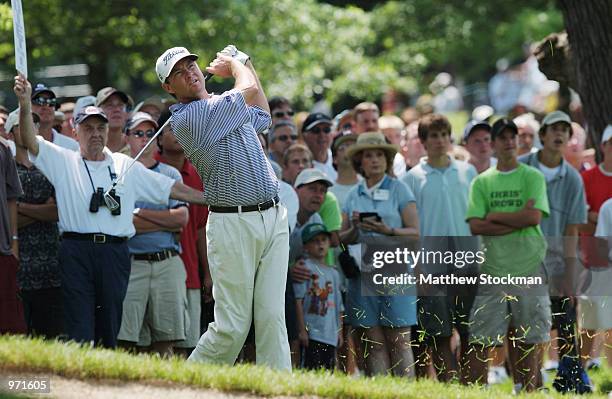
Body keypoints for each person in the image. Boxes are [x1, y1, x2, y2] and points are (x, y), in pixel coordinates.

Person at [14, 73, 207, 348]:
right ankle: (82, 381)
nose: (95, 133)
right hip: (76, 250)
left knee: (111, 324)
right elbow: (29, 139)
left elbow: (172, 189)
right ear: (75, 131)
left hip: (115, 252)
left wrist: (213, 198)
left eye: (100, 128)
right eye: (88, 128)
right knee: (80, 324)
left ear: (108, 131)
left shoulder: (124, 164)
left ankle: (106, 382)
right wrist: (24, 102)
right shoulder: (64, 160)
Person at [156, 45, 290, 370]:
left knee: (272, 316)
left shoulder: (222, 104)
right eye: (179, 72)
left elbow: (263, 115)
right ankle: (187, 384)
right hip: (232, 224)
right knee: (232, 325)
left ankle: (281, 388)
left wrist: (247, 61)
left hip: (274, 215)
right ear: (169, 87)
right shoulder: (187, 119)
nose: (190, 73)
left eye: (192, 65)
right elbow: (249, 89)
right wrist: (234, 64)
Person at [464, 118, 551, 392]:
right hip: (493, 269)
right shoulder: (482, 182)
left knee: (530, 337)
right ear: (493, 143)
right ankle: (477, 392)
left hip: (528, 267)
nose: (510, 142)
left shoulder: (532, 176)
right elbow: (476, 224)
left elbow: (533, 217)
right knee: (481, 337)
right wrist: (517, 218)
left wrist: (496, 216)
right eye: (503, 137)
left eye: (513, 136)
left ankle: (528, 391)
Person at [401, 114, 478, 382]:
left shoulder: (467, 171)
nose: (440, 140)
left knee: (470, 331)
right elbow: (410, 233)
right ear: (422, 141)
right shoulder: (412, 178)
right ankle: (452, 387)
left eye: (444, 134)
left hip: (468, 263)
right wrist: (417, 269)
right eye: (433, 135)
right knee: (439, 333)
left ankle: (472, 386)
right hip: (431, 266)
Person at [340, 132, 419, 377]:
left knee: (399, 340)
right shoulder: (353, 194)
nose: (374, 160)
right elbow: (341, 239)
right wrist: (355, 228)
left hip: (395, 272)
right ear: (360, 162)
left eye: (379, 155)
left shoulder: (400, 189)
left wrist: (389, 230)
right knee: (373, 343)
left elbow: (415, 233)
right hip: (364, 274)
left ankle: (405, 394)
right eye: (368, 156)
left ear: (387, 159)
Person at [519, 110, 588, 387]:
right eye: (554, 129)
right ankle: (527, 383)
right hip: (521, 263)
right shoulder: (521, 167)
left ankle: (570, 381)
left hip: (557, 265)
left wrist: (571, 278)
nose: (559, 134)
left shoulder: (573, 179)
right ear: (543, 135)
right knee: (525, 328)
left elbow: (572, 231)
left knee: (566, 322)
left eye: (564, 130)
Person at [117, 112, 189, 356]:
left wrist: (138, 214)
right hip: (131, 263)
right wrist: (162, 220)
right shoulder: (118, 175)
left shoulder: (170, 175)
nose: (145, 138)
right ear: (127, 137)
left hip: (166, 261)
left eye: (150, 133)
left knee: (166, 342)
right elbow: (122, 224)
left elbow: (181, 219)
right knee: (127, 341)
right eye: (138, 133)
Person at [154, 110, 210, 354]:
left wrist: (208, 274)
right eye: (170, 128)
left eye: (182, 128)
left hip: (191, 272)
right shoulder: (149, 169)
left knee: (188, 346)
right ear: (158, 137)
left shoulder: (198, 173)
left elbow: (201, 229)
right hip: (158, 267)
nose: (177, 133)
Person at [10, 108, 62, 338]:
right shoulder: (6, 168)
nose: (29, 129)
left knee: (51, 338)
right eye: (22, 124)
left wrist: (20, 207)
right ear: (10, 133)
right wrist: (42, 209)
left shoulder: (50, 166)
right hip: (19, 268)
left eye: (33, 124)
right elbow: (7, 221)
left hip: (52, 268)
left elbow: (58, 212)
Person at [578, 124, 612, 368]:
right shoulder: (587, 178)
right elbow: (581, 218)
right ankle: (580, 371)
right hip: (593, 260)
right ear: (603, 146)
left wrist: (593, 216)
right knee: (589, 321)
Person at [294, 223, 344, 370]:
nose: (320, 244)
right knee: (310, 370)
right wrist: (302, 330)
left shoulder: (334, 273)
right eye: (315, 241)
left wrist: (339, 332)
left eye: (324, 240)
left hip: (329, 335)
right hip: (311, 335)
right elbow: (298, 301)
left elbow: (339, 307)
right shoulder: (304, 268)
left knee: (328, 371)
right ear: (305, 246)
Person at [0, 131, 25, 334]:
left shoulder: (3, 147)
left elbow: (11, 199)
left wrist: (13, 242)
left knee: (9, 330)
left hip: (2, 250)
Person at [30, 83, 79, 152]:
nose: (46, 106)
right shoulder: (20, 146)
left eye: (51, 101)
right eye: (39, 101)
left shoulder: (71, 146)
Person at [96, 87, 133, 154]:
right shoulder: (91, 149)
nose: (117, 109)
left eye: (120, 105)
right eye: (109, 105)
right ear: (97, 112)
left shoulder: (135, 146)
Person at [302, 113, 337, 181]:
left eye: (326, 130)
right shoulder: (300, 165)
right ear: (304, 135)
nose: (322, 135)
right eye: (316, 130)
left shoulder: (340, 160)